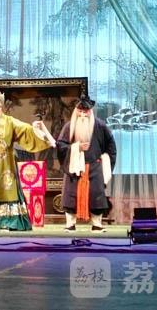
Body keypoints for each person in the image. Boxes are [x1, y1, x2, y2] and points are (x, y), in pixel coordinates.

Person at [0, 90, 56, 231]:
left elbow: (26, 131)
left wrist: (36, 129)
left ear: (1, 105)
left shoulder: (10, 122)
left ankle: (9, 222)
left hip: (6, 164)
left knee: (8, 188)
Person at [56, 94, 116, 232]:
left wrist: (105, 160)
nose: (83, 114)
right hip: (75, 167)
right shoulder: (69, 127)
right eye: (80, 111)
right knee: (71, 195)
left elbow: (111, 146)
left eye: (86, 111)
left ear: (90, 111)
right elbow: (61, 146)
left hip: (94, 166)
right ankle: (70, 223)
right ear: (76, 111)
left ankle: (97, 223)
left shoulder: (100, 126)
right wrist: (76, 147)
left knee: (96, 195)